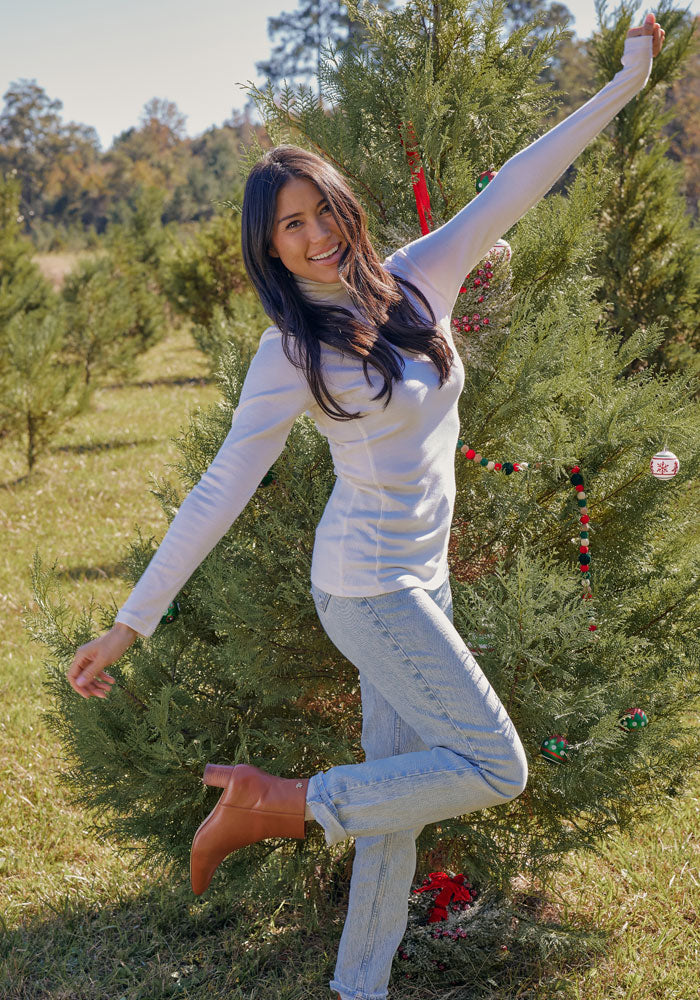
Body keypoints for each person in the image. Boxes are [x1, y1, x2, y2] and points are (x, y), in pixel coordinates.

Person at [67, 14, 664, 1000]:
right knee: (493, 763)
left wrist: (621, 89)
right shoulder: (288, 353)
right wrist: (130, 623)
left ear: (344, 206)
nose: (310, 234)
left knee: (397, 804)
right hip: (364, 585)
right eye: (286, 226)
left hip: (417, 576)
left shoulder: (419, 281)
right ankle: (279, 803)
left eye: (318, 211)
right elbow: (220, 487)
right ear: (270, 246)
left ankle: (358, 987)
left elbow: (514, 178)